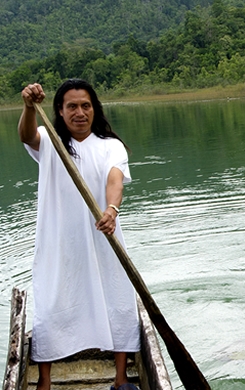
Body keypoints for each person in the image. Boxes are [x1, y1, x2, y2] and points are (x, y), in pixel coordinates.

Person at [19, 79, 141, 390]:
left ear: (94, 109)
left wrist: (111, 210)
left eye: (85, 105)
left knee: (118, 300)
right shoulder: (50, 141)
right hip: (60, 243)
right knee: (50, 306)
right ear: (59, 111)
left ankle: (120, 378)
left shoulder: (110, 145)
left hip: (103, 236)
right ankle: (44, 382)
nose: (79, 112)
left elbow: (115, 179)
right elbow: (26, 135)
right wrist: (28, 106)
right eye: (71, 106)